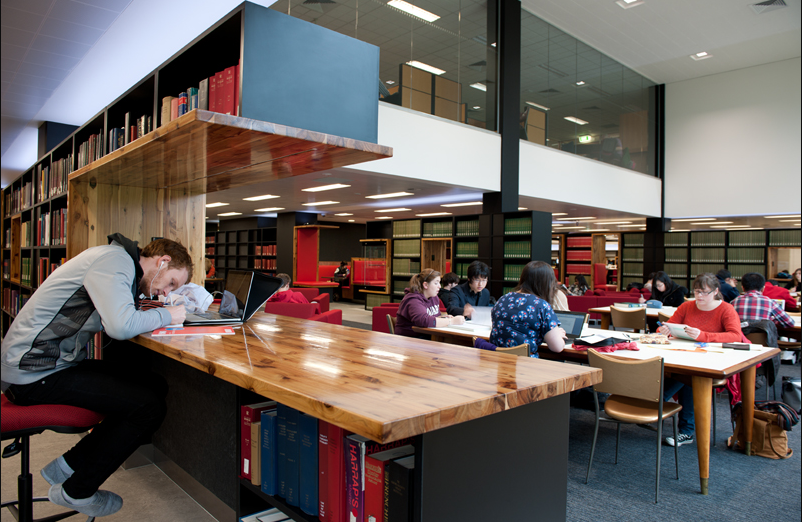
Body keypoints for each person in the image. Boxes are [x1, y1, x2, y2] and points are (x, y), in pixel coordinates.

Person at [0, 234, 193, 518]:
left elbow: (119, 314)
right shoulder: (115, 261)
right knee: (148, 407)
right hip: (31, 373)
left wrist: (155, 311)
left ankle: (69, 464)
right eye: (171, 283)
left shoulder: (118, 261)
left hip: (50, 365)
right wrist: (169, 316)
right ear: (162, 262)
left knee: (153, 384)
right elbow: (120, 325)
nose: (165, 292)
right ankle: (78, 490)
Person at [657, 273, 743, 447]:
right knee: (684, 373)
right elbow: (670, 325)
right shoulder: (687, 307)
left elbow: (735, 336)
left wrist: (704, 335)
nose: (700, 296)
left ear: (716, 291)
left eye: (705, 292)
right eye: (697, 292)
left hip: (713, 361)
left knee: (690, 376)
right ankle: (682, 427)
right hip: (685, 355)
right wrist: (665, 330)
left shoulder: (726, 309)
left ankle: (656, 402)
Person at [489, 261, 566, 357]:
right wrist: (558, 335)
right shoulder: (541, 306)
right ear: (547, 283)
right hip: (524, 365)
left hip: (497, 362)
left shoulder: (502, 299)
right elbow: (557, 347)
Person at [395, 269, 465, 337]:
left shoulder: (434, 297)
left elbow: (433, 317)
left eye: (439, 283)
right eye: (436, 283)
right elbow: (424, 321)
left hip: (427, 336)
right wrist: (451, 321)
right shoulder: (413, 299)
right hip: (409, 340)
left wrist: (443, 318)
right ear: (425, 285)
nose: (440, 286)